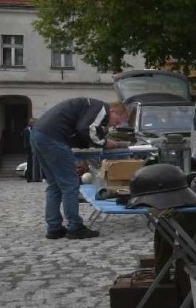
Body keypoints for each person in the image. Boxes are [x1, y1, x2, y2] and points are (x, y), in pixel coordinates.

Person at [29, 96, 130, 240]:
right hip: (54, 139)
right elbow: (86, 129)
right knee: (70, 184)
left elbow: (80, 131)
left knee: (54, 185)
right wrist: (104, 142)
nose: (115, 125)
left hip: (38, 135)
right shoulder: (101, 108)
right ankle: (75, 227)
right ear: (113, 111)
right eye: (117, 121)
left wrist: (98, 137)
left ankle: (54, 227)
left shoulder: (88, 107)